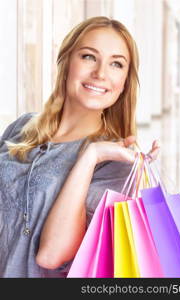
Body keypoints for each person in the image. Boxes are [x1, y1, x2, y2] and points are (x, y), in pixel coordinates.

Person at [0, 16, 160, 278]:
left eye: (116, 64)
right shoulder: (21, 127)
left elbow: (52, 255)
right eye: (88, 57)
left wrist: (91, 155)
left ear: (124, 83)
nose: (100, 73)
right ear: (66, 61)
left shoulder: (114, 163)